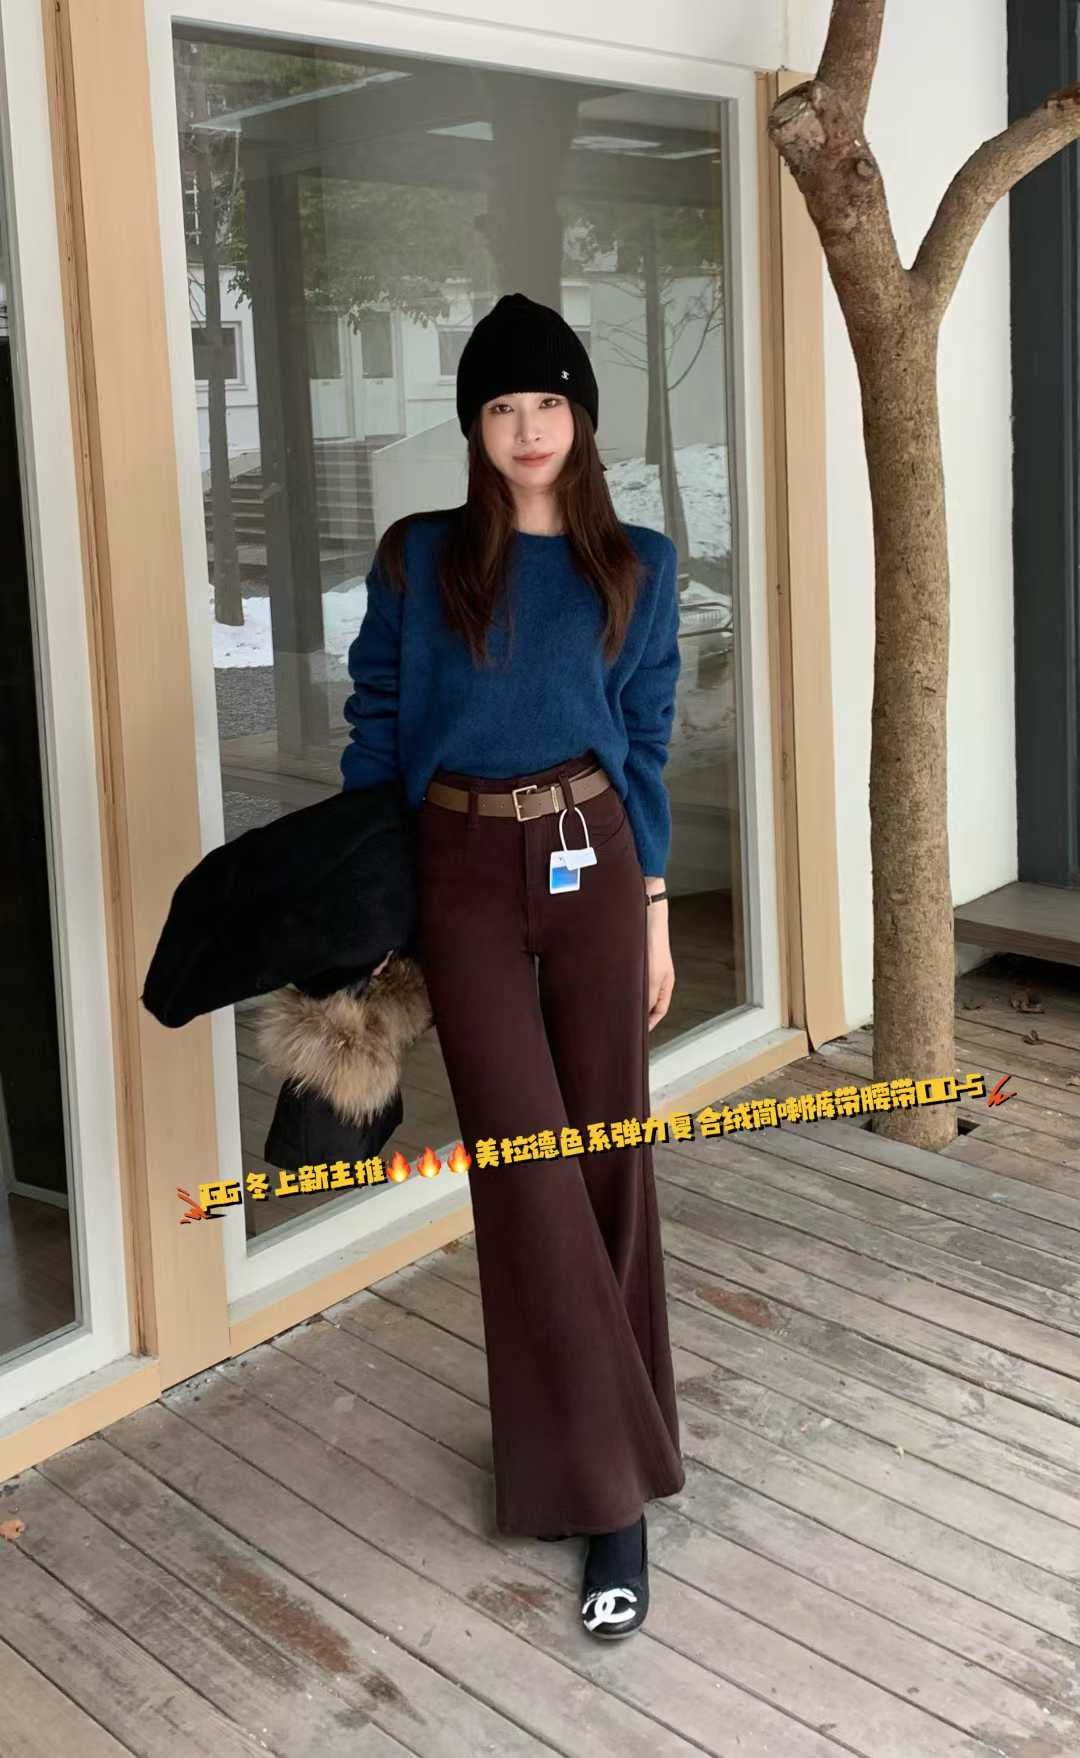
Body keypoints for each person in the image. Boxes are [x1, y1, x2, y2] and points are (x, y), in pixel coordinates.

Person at [340, 291, 685, 1639]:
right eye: (501, 405)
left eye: (548, 402)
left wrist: (654, 909)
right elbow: (378, 725)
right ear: (473, 425)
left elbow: (644, 737)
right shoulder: (420, 558)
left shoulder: (637, 563)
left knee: (607, 1154)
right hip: (461, 867)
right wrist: (371, 896)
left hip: (596, 853)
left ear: (581, 417)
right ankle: (615, 1479)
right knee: (527, 1167)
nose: (528, 427)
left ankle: (600, 1483)